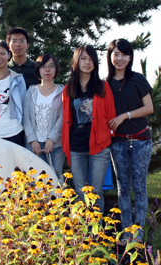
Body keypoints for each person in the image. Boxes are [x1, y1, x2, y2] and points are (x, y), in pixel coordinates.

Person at [106, 39, 153, 244]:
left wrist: (124, 115)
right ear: (109, 56)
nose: (120, 58)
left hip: (141, 140)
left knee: (140, 187)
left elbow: (149, 108)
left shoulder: (138, 79)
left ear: (130, 57)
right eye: (115, 54)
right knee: (123, 188)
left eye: (124, 54)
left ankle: (139, 234)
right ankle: (127, 234)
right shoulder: (105, 84)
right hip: (118, 143)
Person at [61, 45, 116, 213]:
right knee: (79, 190)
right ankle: (81, 233)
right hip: (76, 146)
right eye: (84, 58)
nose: (88, 62)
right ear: (76, 62)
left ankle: (96, 233)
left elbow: (111, 115)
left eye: (91, 59)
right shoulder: (68, 88)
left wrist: (106, 139)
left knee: (96, 191)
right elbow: (66, 118)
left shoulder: (102, 86)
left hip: (99, 146)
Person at [23, 54, 65, 183]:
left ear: (56, 69)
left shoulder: (62, 91)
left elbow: (63, 117)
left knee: (54, 180)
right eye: (43, 66)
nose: (47, 70)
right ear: (38, 70)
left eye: (51, 66)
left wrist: (52, 139)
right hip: (33, 145)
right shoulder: (31, 91)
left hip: (56, 145)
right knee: (34, 182)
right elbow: (26, 117)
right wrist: (32, 140)